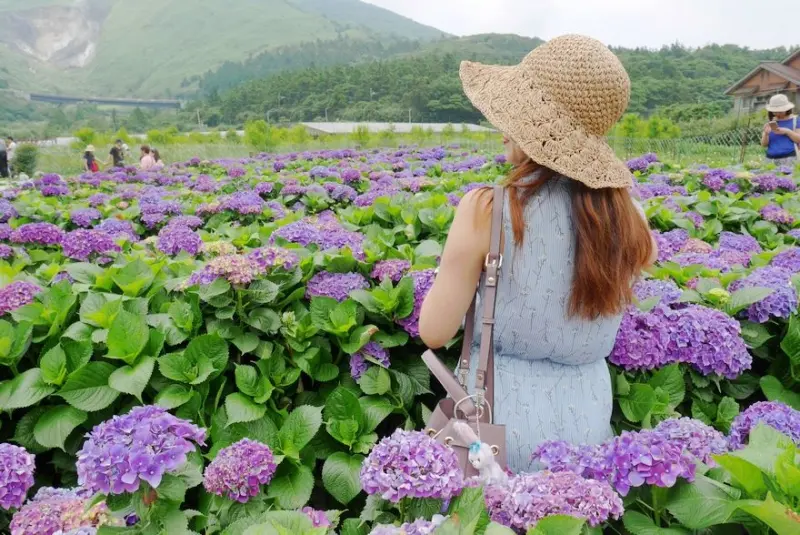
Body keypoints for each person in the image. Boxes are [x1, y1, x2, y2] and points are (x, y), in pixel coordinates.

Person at [418, 35, 658, 473]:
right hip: (587, 426)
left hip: (495, 427)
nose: (503, 127)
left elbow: (433, 332)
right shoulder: (632, 219)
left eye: (515, 115)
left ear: (537, 129)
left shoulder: (487, 209)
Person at [760, 94, 800, 166]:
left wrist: (787, 131)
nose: (777, 114)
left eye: (780, 111)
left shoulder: (795, 120)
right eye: (775, 112)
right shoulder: (770, 122)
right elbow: (764, 144)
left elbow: (798, 139)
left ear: (787, 109)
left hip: (790, 159)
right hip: (770, 160)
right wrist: (766, 134)